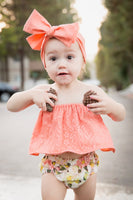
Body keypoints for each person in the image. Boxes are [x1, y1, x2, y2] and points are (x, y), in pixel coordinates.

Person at [7, 9, 126, 200]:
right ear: (45, 64)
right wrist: (30, 95)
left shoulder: (91, 92)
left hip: (85, 164)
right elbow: (11, 105)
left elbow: (121, 114)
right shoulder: (44, 92)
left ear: (82, 62)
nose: (62, 64)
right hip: (54, 166)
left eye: (70, 57)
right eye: (53, 58)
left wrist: (110, 106)